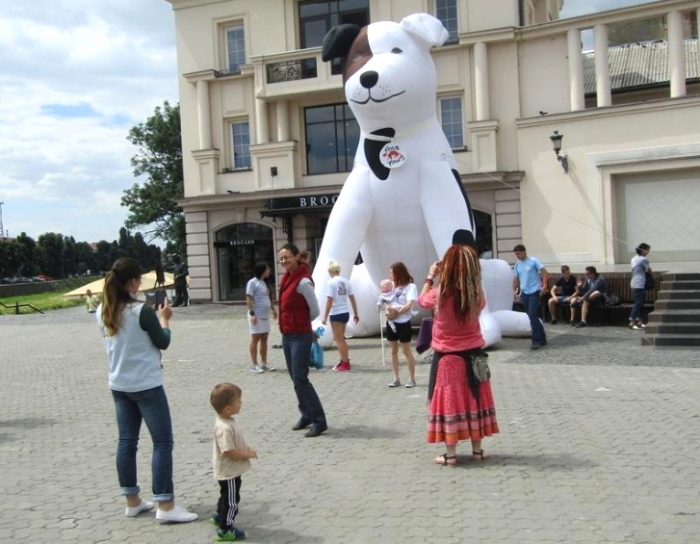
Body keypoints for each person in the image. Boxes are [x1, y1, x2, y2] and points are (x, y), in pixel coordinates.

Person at [96, 257, 197, 523]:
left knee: (127, 442)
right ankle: (166, 504)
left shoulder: (102, 310)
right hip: (146, 384)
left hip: (119, 384)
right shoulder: (141, 311)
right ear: (131, 282)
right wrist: (165, 319)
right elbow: (163, 342)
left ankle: (133, 500)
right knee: (162, 443)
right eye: (139, 279)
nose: (141, 284)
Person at [418, 245, 499, 466]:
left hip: (447, 357)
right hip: (474, 356)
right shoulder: (476, 294)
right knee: (475, 401)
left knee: (449, 404)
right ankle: (477, 451)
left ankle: (451, 455)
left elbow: (421, 300)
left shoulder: (440, 294)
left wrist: (431, 276)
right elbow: (478, 303)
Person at [277, 243, 327, 438]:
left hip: (299, 335)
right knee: (295, 379)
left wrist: (302, 324)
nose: (284, 261)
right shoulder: (287, 278)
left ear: (297, 257)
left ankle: (319, 420)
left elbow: (314, 310)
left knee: (301, 379)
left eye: (287, 257)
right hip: (287, 335)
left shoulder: (303, 282)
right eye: (281, 258)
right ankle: (306, 414)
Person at [209, 383, 257, 542]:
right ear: (228, 408)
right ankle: (226, 528)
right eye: (239, 401)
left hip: (230, 470)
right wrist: (246, 454)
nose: (241, 404)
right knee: (232, 500)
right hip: (228, 471)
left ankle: (219, 515)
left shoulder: (228, 421)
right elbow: (228, 451)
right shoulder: (224, 427)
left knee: (225, 495)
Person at [321, 261, 359, 372]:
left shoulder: (330, 282)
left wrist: (324, 316)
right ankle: (344, 360)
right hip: (345, 312)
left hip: (336, 313)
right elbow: (352, 298)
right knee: (341, 339)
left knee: (339, 339)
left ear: (331, 271)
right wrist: (356, 313)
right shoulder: (346, 281)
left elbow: (329, 300)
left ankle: (345, 363)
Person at [385, 262, 418, 388]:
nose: (390, 275)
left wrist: (397, 313)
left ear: (399, 273)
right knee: (393, 350)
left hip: (404, 321)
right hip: (391, 321)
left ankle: (412, 378)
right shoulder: (391, 286)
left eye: (392, 273)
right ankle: (396, 378)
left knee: (406, 350)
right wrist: (389, 309)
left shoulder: (411, 287)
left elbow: (409, 304)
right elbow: (384, 300)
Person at [512, 244, 549, 349]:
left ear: (524, 252)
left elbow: (545, 273)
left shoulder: (533, 261)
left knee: (532, 315)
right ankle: (543, 338)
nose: (517, 256)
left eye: (518, 253)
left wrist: (545, 285)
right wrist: (514, 291)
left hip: (534, 292)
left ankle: (536, 340)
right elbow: (515, 279)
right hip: (524, 293)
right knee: (533, 317)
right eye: (516, 254)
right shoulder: (518, 264)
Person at [245, 262, 277, 373]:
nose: (269, 271)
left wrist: (273, 310)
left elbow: (268, 298)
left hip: (265, 315)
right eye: (267, 269)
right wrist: (252, 314)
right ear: (262, 270)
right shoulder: (252, 283)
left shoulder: (265, 283)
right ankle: (254, 364)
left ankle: (264, 363)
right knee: (256, 338)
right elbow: (248, 299)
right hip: (256, 315)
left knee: (264, 337)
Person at [629, 243, 651, 330]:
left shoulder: (634, 258)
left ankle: (639, 321)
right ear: (642, 250)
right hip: (639, 283)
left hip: (634, 283)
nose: (648, 252)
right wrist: (652, 276)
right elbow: (648, 269)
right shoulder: (643, 259)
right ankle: (632, 321)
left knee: (640, 303)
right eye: (647, 250)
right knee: (638, 303)